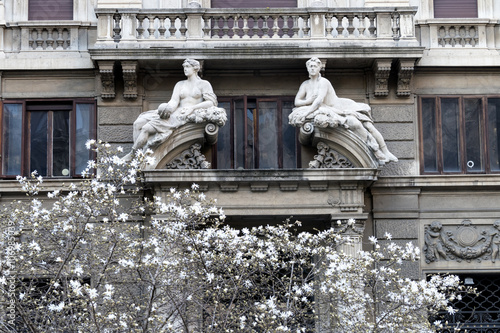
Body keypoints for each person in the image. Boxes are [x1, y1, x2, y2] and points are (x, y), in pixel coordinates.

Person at [289, 57, 397, 163]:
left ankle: (385, 151)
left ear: (319, 68)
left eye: (315, 66)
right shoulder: (305, 85)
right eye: (310, 66)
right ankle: (376, 149)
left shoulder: (323, 82)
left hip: (342, 106)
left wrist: (306, 113)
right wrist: (308, 101)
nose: (312, 68)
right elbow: (297, 102)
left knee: (368, 125)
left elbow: (318, 101)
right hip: (327, 109)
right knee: (356, 124)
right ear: (308, 68)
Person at [124, 58, 226, 160]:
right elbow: (174, 102)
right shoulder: (180, 84)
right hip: (176, 113)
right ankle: (138, 154)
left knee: (146, 128)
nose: (185, 69)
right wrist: (166, 109)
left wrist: (192, 108)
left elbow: (211, 103)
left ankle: (134, 155)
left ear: (195, 68)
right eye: (184, 67)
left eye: (187, 67)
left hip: (187, 115)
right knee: (138, 123)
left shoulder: (204, 84)